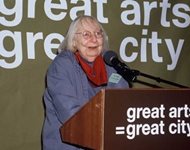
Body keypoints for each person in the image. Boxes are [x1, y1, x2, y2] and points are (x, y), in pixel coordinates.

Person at [42, 15, 129, 150]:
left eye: (98, 33)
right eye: (86, 34)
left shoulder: (110, 64)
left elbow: (123, 101)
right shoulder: (62, 65)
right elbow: (71, 114)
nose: (94, 39)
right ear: (74, 41)